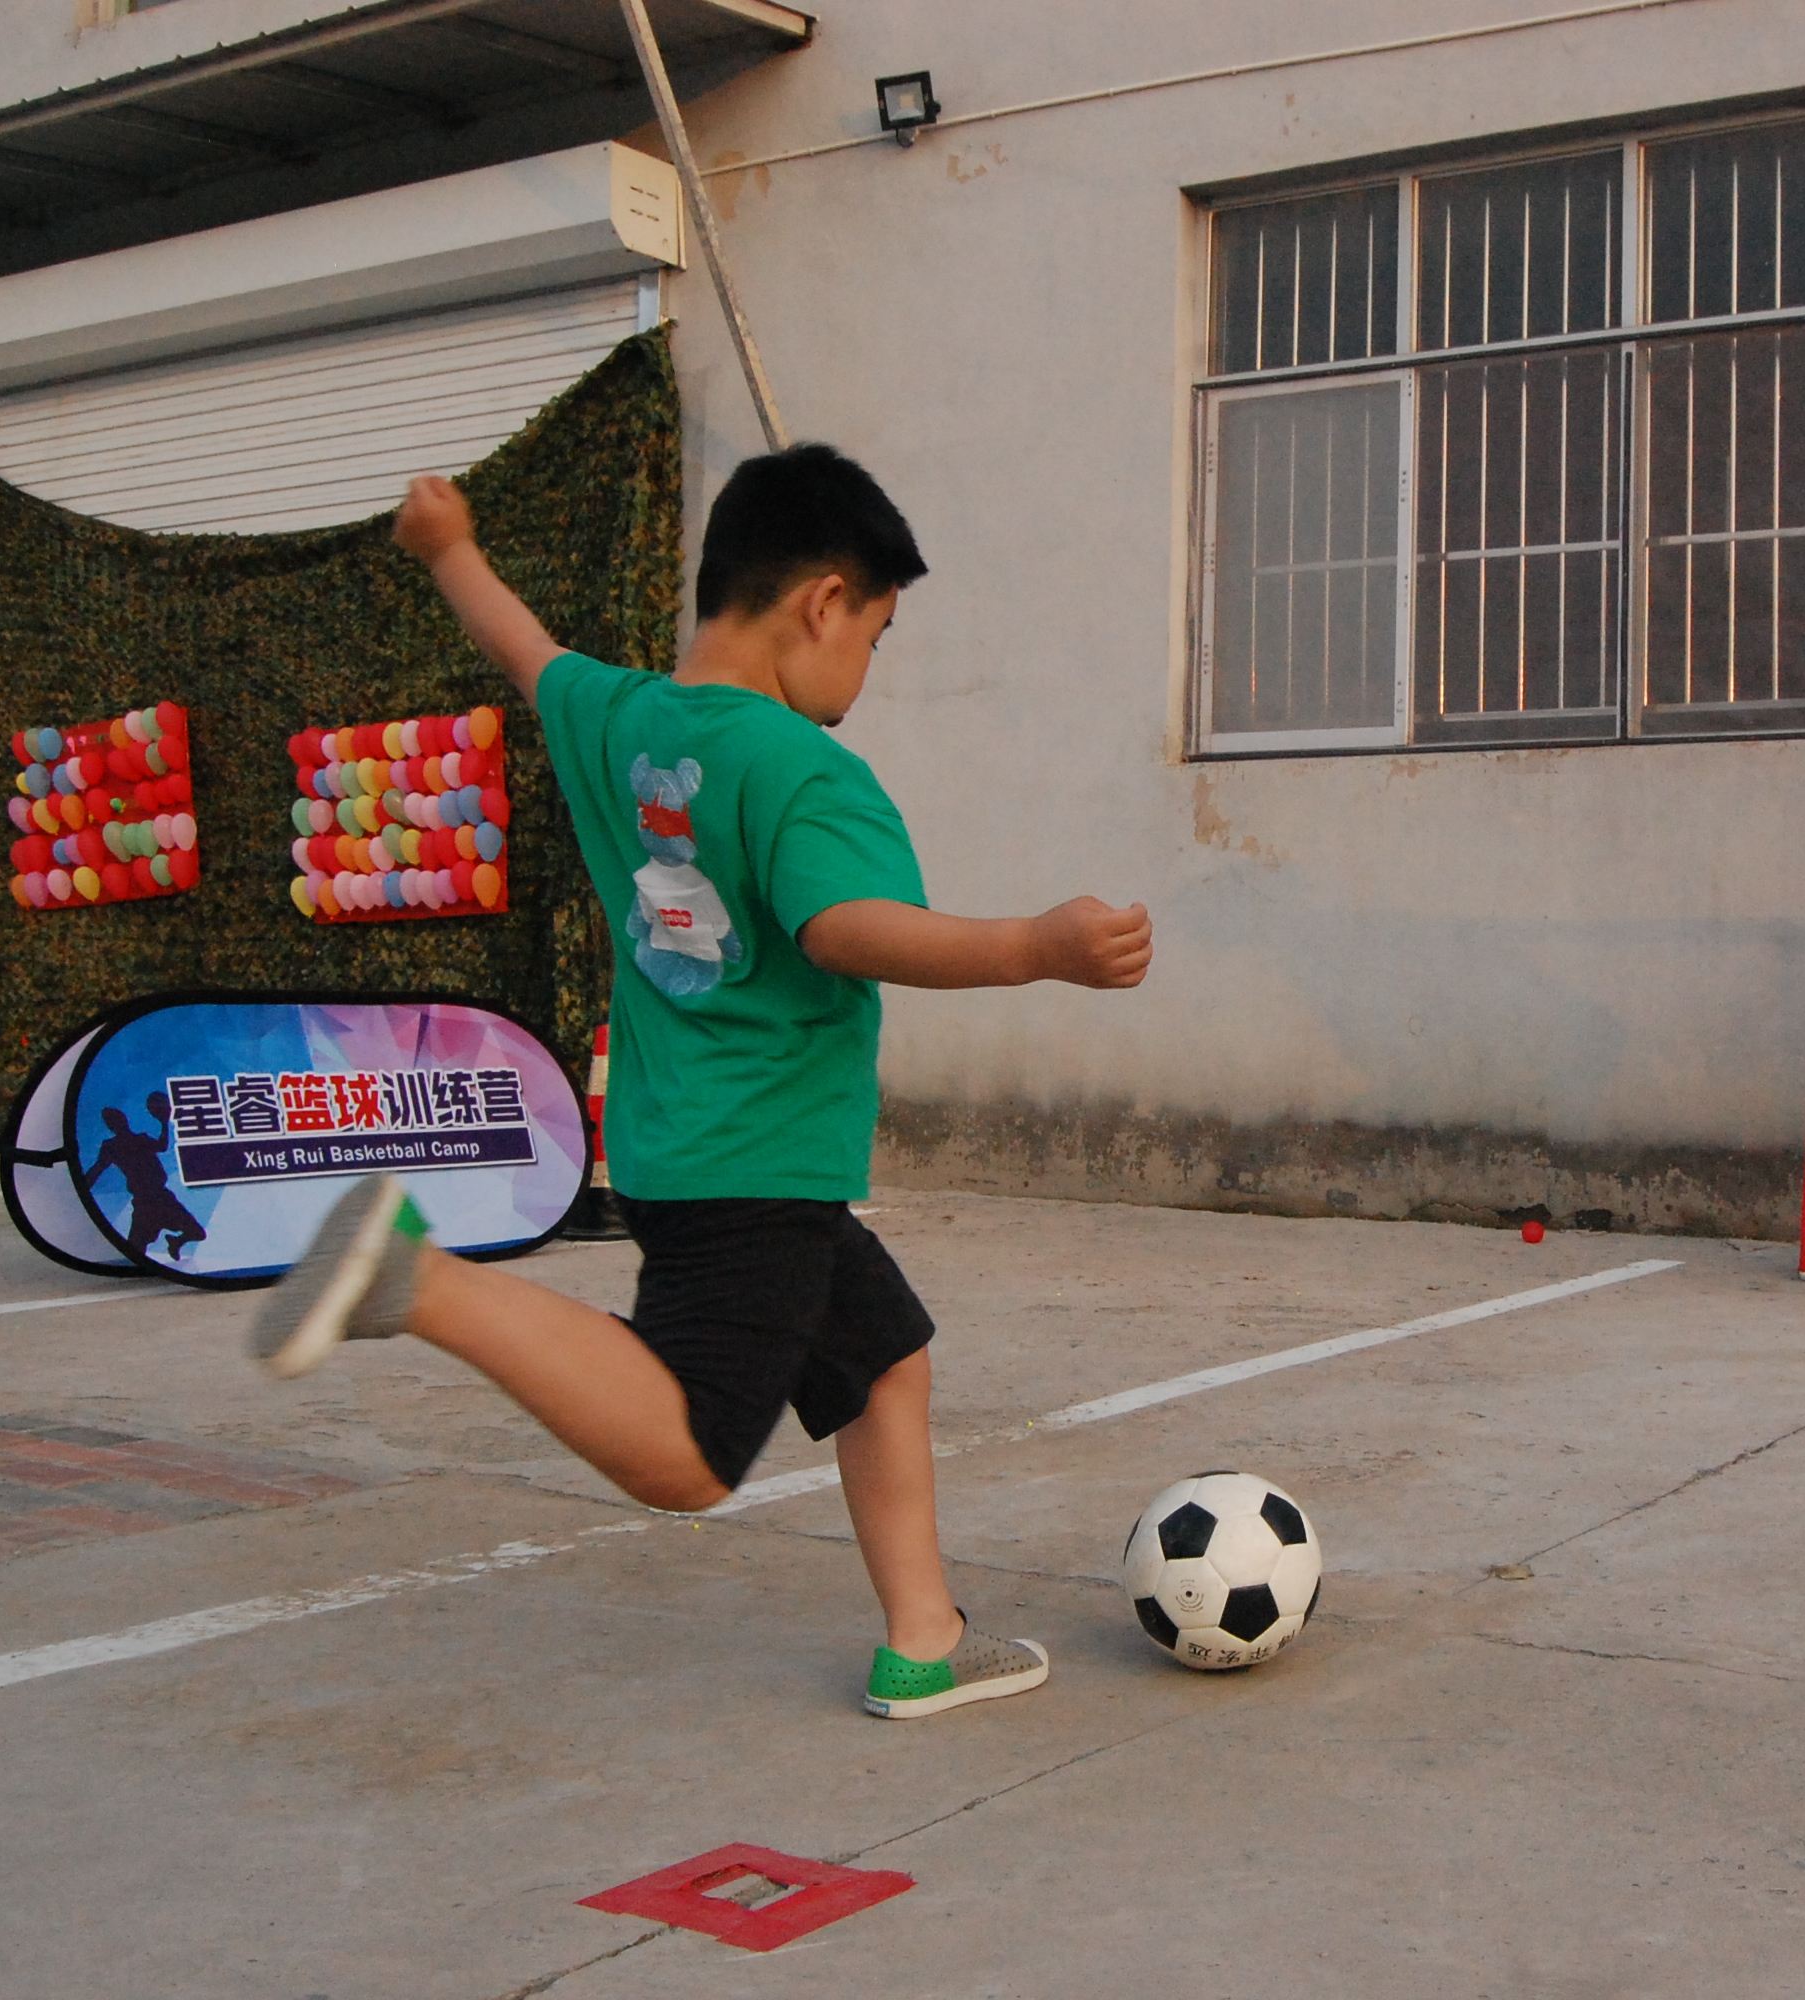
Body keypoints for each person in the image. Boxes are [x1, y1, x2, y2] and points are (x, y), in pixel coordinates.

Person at [246, 446, 1154, 1717]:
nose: (866, 674)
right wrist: (1032, 949)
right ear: (824, 604)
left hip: (681, 1144)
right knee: (688, 1453)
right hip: (760, 1159)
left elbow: (523, 648)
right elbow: (844, 927)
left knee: (883, 1356)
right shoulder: (805, 769)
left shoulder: (621, 718)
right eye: (878, 637)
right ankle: (418, 1276)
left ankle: (925, 1635)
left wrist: (446, 545)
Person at [84, 1094, 205, 1262]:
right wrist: (80, 1189)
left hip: (161, 1197)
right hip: (144, 1202)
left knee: (197, 1233)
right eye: (115, 1120)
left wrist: (164, 1123)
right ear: (112, 1125)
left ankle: (175, 1242)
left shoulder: (140, 1139)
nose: (120, 1122)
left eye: (119, 1118)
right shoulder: (111, 1146)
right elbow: (97, 1169)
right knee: (135, 1250)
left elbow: (162, 1146)